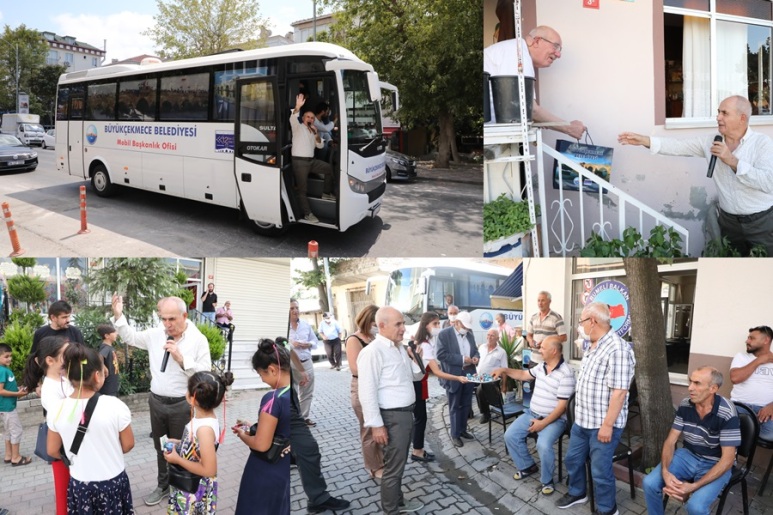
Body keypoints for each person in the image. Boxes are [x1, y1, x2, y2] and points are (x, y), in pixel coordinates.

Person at [618, 95, 773, 256]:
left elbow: (768, 182)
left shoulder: (762, 143)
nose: (718, 117)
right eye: (718, 112)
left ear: (742, 118)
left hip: (761, 223)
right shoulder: (711, 141)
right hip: (729, 223)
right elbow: (678, 146)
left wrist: (732, 161)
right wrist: (644, 140)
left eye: (724, 113)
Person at [111, 294, 212, 506]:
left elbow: (206, 374)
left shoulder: (198, 339)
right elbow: (130, 337)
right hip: (156, 401)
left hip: (183, 404)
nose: (167, 324)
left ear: (184, 315)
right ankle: (162, 485)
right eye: (163, 318)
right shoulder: (156, 334)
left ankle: (180, 487)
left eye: (172, 319)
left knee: (184, 448)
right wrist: (119, 315)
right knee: (161, 447)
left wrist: (181, 359)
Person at [556, 302, 635, 515]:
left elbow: (619, 393)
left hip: (602, 425)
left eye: (581, 321)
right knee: (572, 459)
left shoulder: (617, 349)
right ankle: (578, 492)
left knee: (600, 471)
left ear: (593, 321)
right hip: (582, 421)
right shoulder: (593, 344)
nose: (579, 326)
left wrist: (608, 426)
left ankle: (608, 509)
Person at [46, 344, 135, 514]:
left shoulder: (56, 409)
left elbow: (52, 449)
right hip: (113, 483)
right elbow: (128, 445)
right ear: (97, 376)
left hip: (81, 485)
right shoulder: (115, 406)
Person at [642, 367, 740, 515]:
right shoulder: (686, 405)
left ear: (713, 388)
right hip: (688, 455)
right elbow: (670, 441)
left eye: (697, 383)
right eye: (690, 382)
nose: (690, 388)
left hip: (715, 462)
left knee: (696, 507)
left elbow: (728, 459)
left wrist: (692, 487)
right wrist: (665, 472)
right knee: (649, 483)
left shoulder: (727, 411)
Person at [357, 307, 425, 514]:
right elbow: (366, 392)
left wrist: (416, 357)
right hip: (393, 416)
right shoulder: (372, 352)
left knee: (398, 464)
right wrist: (376, 425)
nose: (404, 328)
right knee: (394, 468)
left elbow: (417, 377)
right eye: (399, 324)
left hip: (404, 414)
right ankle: (391, 510)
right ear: (382, 326)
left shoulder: (398, 348)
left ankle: (399, 503)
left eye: (403, 323)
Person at [493, 336, 576, 496]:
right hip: (532, 413)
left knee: (543, 445)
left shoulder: (566, 373)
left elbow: (562, 408)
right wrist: (505, 370)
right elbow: (523, 375)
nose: (539, 349)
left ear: (553, 351)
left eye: (543, 347)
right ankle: (527, 466)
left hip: (554, 419)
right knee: (510, 435)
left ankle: (547, 480)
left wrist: (543, 424)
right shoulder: (541, 366)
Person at [280, 335, 351, 514]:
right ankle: (318, 498)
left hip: (289, 397)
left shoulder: (283, 337)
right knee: (309, 449)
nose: (294, 311)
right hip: (284, 402)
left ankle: (316, 495)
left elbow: (287, 347)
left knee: (305, 449)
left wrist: (300, 371)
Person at [484, 25, 585, 139]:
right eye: (555, 47)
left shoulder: (518, 52)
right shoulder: (519, 54)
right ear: (536, 41)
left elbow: (524, 110)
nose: (558, 54)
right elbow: (527, 108)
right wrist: (569, 128)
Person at [234, 339, 292, 515]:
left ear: (273, 369)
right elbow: (282, 429)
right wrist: (253, 426)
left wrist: (242, 434)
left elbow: (261, 444)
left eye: (262, 374)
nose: (263, 380)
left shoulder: (273, 399)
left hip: (266, 470)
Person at [165, 371, 233, 514]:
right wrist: (179, 442)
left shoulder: (204, 429)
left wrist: (177, 459)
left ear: (192, 399)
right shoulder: (202, 419)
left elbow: (209, 470)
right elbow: (197, 445)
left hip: (194, 489)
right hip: (189, 482)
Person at [23, 336, 72, 515]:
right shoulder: (50, 389)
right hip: (61, 450)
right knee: (64, 493)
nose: (71, 357)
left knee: (69, 491)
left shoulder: (63, 379)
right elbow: (64, 420)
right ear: (50, 361)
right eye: (66, 355)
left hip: (68, 447)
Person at [345, 304, 385, 478]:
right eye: (374, 322)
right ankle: (374, 467)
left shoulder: (374, 338)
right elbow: (355, 368)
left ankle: (382, 460)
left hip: (378, 388)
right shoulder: (354, 339)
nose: (377, 325)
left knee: (381, 427)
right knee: (369, 430)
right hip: (361, 388)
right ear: (367, 320)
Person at [436, 311, 479, 448]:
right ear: (457, 323)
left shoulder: (470, 335)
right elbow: (441, 355)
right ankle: (455, 435)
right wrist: (461, 359)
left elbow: (475, 350)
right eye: (464, 326)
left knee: (466, 404)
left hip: (469, 374)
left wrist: (476, 357)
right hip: (454, 376)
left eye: (467, 327)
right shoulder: (444, 334)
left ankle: (463, 430)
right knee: (454, 406)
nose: (466, 329)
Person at [290, 93, 336, 223]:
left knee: (329, 169)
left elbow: (320, 146)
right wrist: (298, 107)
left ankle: (326, 193)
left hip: (311, 161)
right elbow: (293, 118)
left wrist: (316, 136)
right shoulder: (298, 128)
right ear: (303, 118)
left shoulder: (313, 130)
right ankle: (307, 214)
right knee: (303, 190)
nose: (310, 119)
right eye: (307, 117)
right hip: (299, 162)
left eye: (311, 117)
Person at [729, 325, 773, 440]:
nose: (747, 341)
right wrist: (759, 360)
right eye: (748, 338)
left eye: (752, 338)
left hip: (766, 410)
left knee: (769, 436)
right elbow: (735, 378)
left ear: (766, 340)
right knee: (728, 431)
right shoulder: (741, 357)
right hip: (740, 406)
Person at [409, 312, 441, 464]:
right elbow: (436, 371)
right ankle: (417, 451)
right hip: (418, 384)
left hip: (419, 382)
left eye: (438, 323)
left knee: (419, 418)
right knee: (421, 418)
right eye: (435, 324)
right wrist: (457, 378)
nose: (437, 327)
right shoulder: (425, 345)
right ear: (425, 325)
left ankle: (418, 448)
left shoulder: (422, 341)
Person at [289, 298, 319, 426]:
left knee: (307, 391)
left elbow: (315, 341)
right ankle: (293, 418)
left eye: (297, 308)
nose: (295, 311)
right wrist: (290, 344)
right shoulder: (284, 327)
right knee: (291, 392)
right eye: (292, 308)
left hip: (306, 361)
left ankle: (304, 417)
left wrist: (308, 344)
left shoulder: (306, 325)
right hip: (290, 363)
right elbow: (280, 343)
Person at [0, 343, 30, 466]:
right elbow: (0, 390)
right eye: (6, 356)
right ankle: (16, 458)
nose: (10, 359)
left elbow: (7, 386)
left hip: (6, 408)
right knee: (16, 431)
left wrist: (18, 389)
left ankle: (8, 455)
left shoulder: (5, 370)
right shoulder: (2, 371)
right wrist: (17, 394)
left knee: (8, 432)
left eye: (10, 356)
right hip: (8, 408)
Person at [475, 328, 509, 424]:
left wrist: (504, 386)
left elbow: (504, 369)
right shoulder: (481, 347)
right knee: (477, 390)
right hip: (479, 378)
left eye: (492, 335)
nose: (489, 337)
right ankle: (484, 412)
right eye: (488, 335)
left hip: (492, 379)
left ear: (497, 338)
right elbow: (478, 361)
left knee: (480, 390)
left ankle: (488, 412)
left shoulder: (501, 352)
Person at [526, 291, 567, 365]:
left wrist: (546, 342)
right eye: (538, 300)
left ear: (549, 301)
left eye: (543, 300)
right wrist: (530, 341)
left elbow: (564, 337)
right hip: (534, 359)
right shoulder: (533, 317)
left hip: (550, 361)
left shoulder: (556, 317)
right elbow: (529, 335)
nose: (540, 303)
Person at [97, 324, 120, 396]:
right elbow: (99, 356)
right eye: (114, 332)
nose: (116, 334)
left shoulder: (110, 347)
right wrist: (104, 368)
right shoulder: (106, 348)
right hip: (108, 386)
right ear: (107, 336)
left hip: (112, 385)